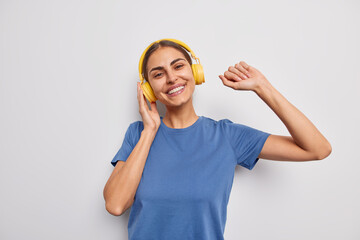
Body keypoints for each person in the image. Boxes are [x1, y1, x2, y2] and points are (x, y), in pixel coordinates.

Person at [103, 39, 332, 240]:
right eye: (158, 74)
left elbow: (317, 149)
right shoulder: (138, 134)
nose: (172, 78)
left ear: (195, 71)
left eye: (178, 66)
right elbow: (115, 204)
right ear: (148, 89)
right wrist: (150, 131)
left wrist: (263, 88)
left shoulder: (227, 136)